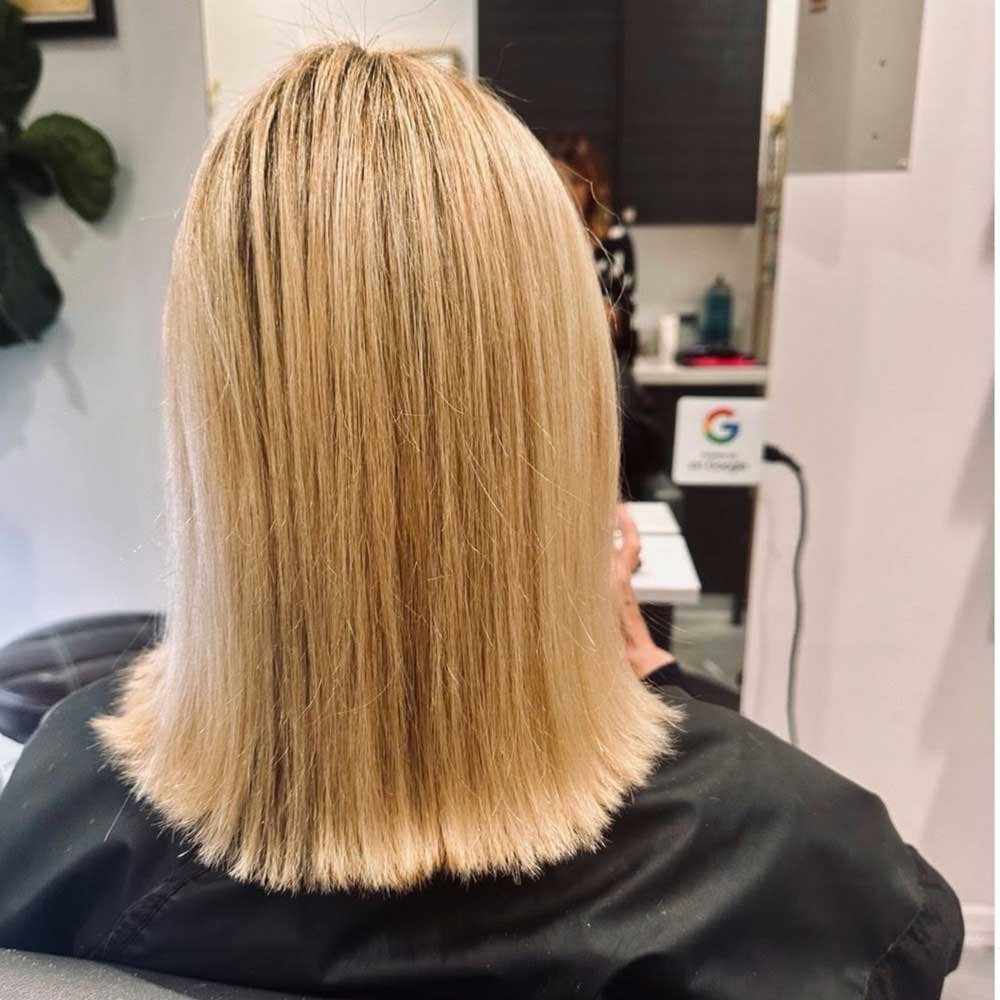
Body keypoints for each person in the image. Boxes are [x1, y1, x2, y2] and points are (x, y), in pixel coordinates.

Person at [0, 44, 962, 998]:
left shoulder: (64, 815)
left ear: (220, 416)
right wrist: (647, 671)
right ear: (558, 389)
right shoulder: (801, 871)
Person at [544, 132, 665, 498]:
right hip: (552, 368)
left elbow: (621, 320)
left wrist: (595, 315)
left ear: (592, 186)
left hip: (602, 367)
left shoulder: (614, 240)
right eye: (559, 181)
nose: (567, 192)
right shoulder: (540, 240)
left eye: (576, 183)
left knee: (617, 446)